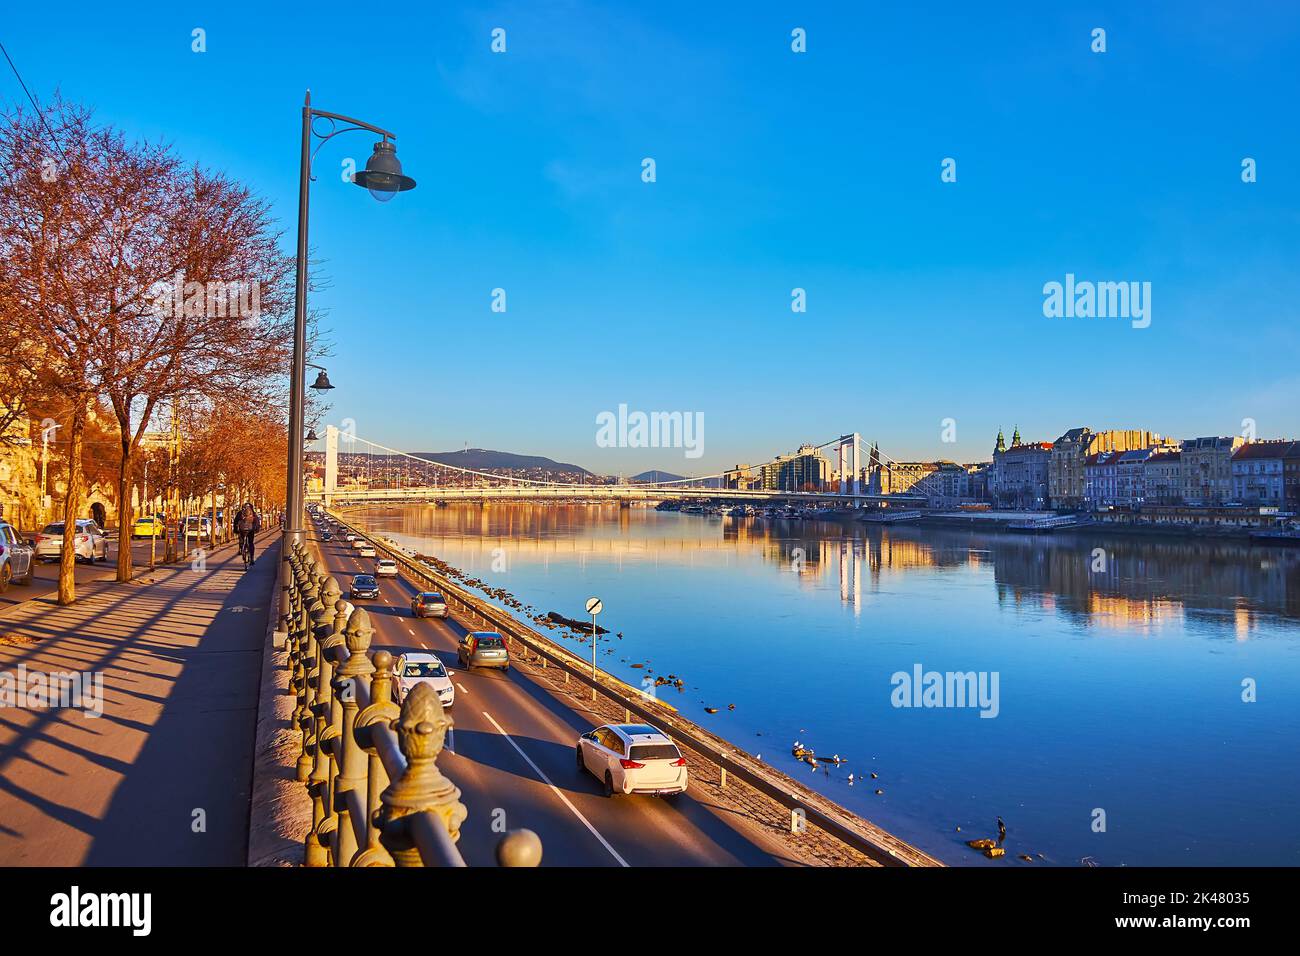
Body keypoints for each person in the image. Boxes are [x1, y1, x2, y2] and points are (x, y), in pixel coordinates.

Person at [234, 503, 261, 569]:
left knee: (241, 539)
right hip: (250, 530)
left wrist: (235, 530)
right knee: (251, 543)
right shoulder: (253, 513)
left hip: (242, 530)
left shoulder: (240, 513)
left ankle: (241, 549)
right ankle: (251, 559)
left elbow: (235, 522)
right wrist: (257, 529)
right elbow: (257, 522)